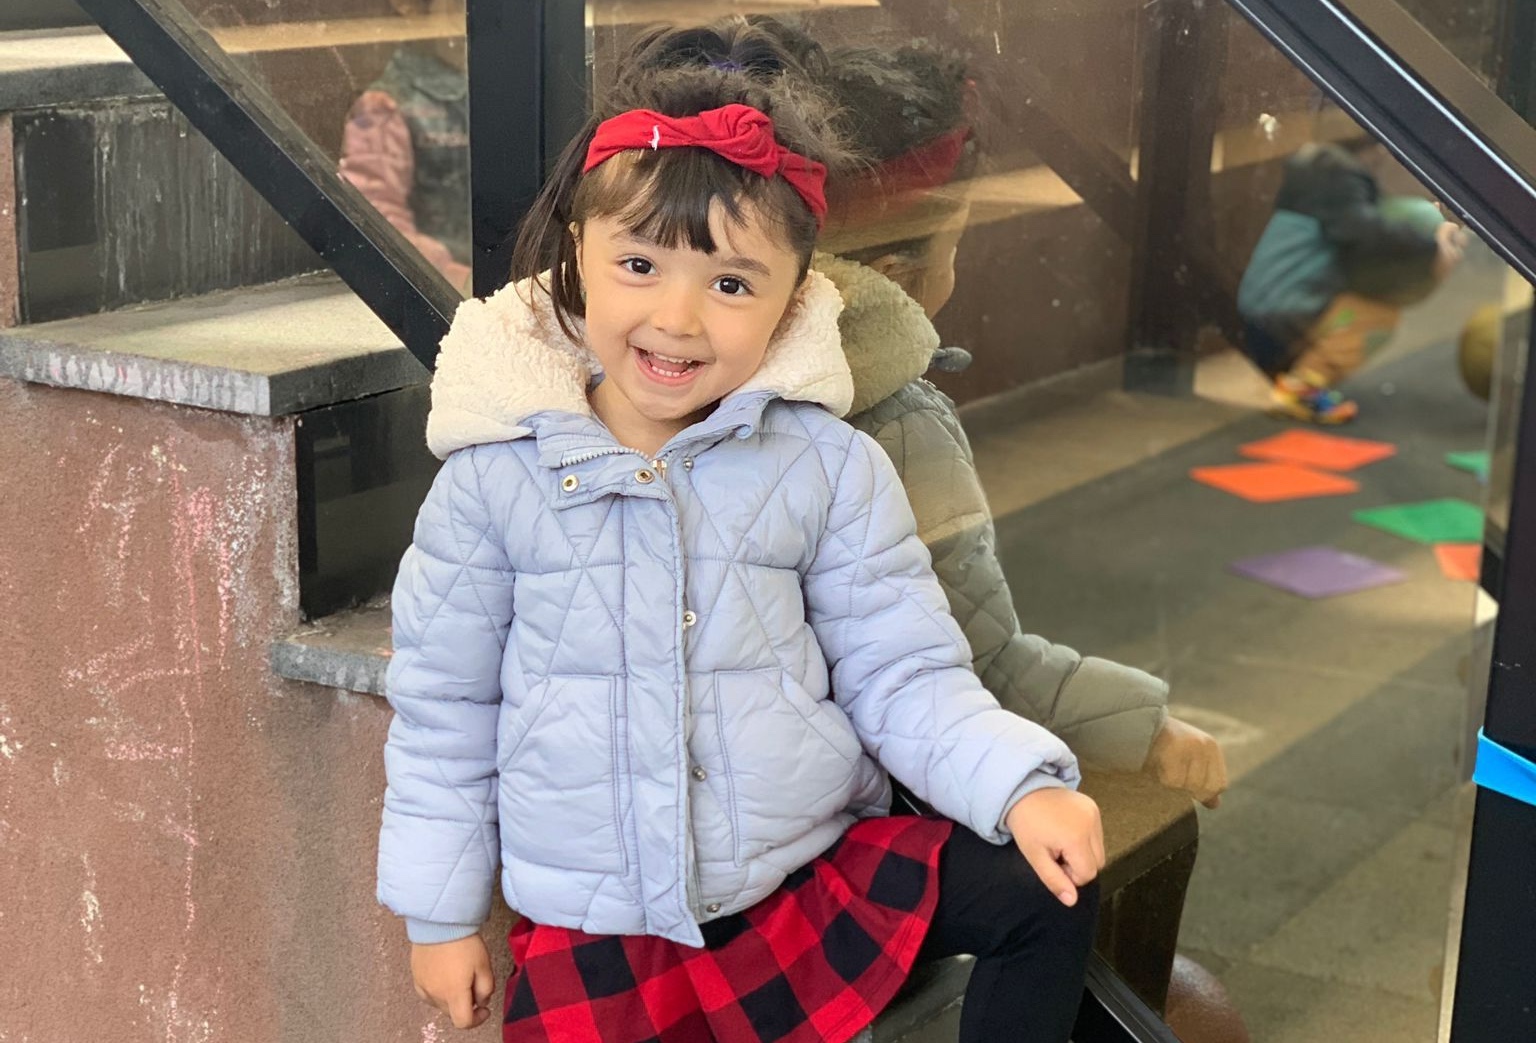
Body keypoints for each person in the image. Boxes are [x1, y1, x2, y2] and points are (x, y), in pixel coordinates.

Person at [379, 19, 1103, 1043]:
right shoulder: (493, 483)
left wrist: (1017, 786)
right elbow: (445, 712)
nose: (677, 319)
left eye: (729, 283)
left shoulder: (826, 464)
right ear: (577, 257)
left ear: (793, 299)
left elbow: (902, 671)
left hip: (799, 884)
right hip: (604, 930)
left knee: (1043, 893)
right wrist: (441, 915)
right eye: (639, 264)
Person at [809, 40, 1227, 804]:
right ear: (898, 278)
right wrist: (1147, 727)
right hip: (853, 798)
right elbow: (980, 661)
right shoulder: (899, 426)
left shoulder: (666, 373)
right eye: (956, 243)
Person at [1237, 141, 1466, 423]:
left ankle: (1296, 377)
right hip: (1280, 318)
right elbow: (1368, 238)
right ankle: (1301, 388)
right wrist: (1431, 247)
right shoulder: (1340, 188)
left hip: (1259, 314)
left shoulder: (1316, 185)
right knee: (1378, 316)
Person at [339, 0, 472, 293]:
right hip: (439, 295)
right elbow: (375, 220)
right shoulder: (384, 106)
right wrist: (456, 277)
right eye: (456, 6)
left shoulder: (487, 85)